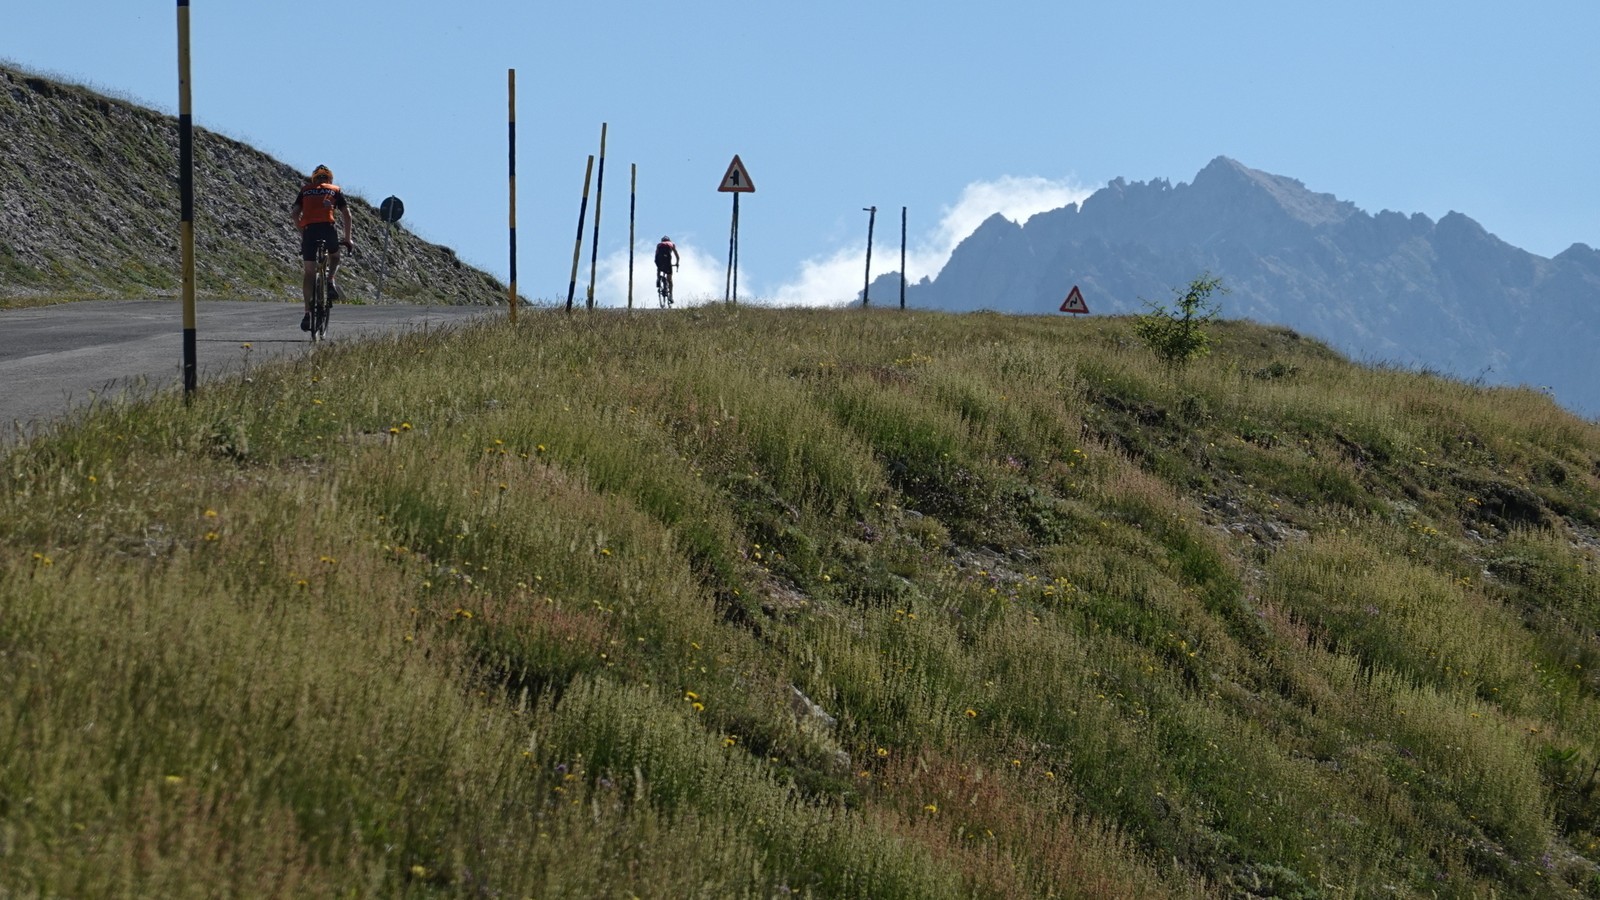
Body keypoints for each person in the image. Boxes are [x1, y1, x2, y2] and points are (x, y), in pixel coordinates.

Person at [291, 164, 354, 331]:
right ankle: (330, 279)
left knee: (309, 273)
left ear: (314, 178)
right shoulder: (335, 190)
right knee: (335, 255)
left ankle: (307, 313)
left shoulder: (305, 190)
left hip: (310, 231)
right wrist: (348, 239)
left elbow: (294, 214)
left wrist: (302, 233)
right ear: (329, 178)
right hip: (328, 229)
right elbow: (347, 215)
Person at [654, 235, 680, 303]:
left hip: (659, 261)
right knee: (670, 280)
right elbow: (677, 256)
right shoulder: (672, 244)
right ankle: (670, 296)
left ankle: (658, 279)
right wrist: (677, 263)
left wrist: (656, 263)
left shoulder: (659, 245)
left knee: (659, 268)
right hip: (668, 263)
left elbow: (656, 255)